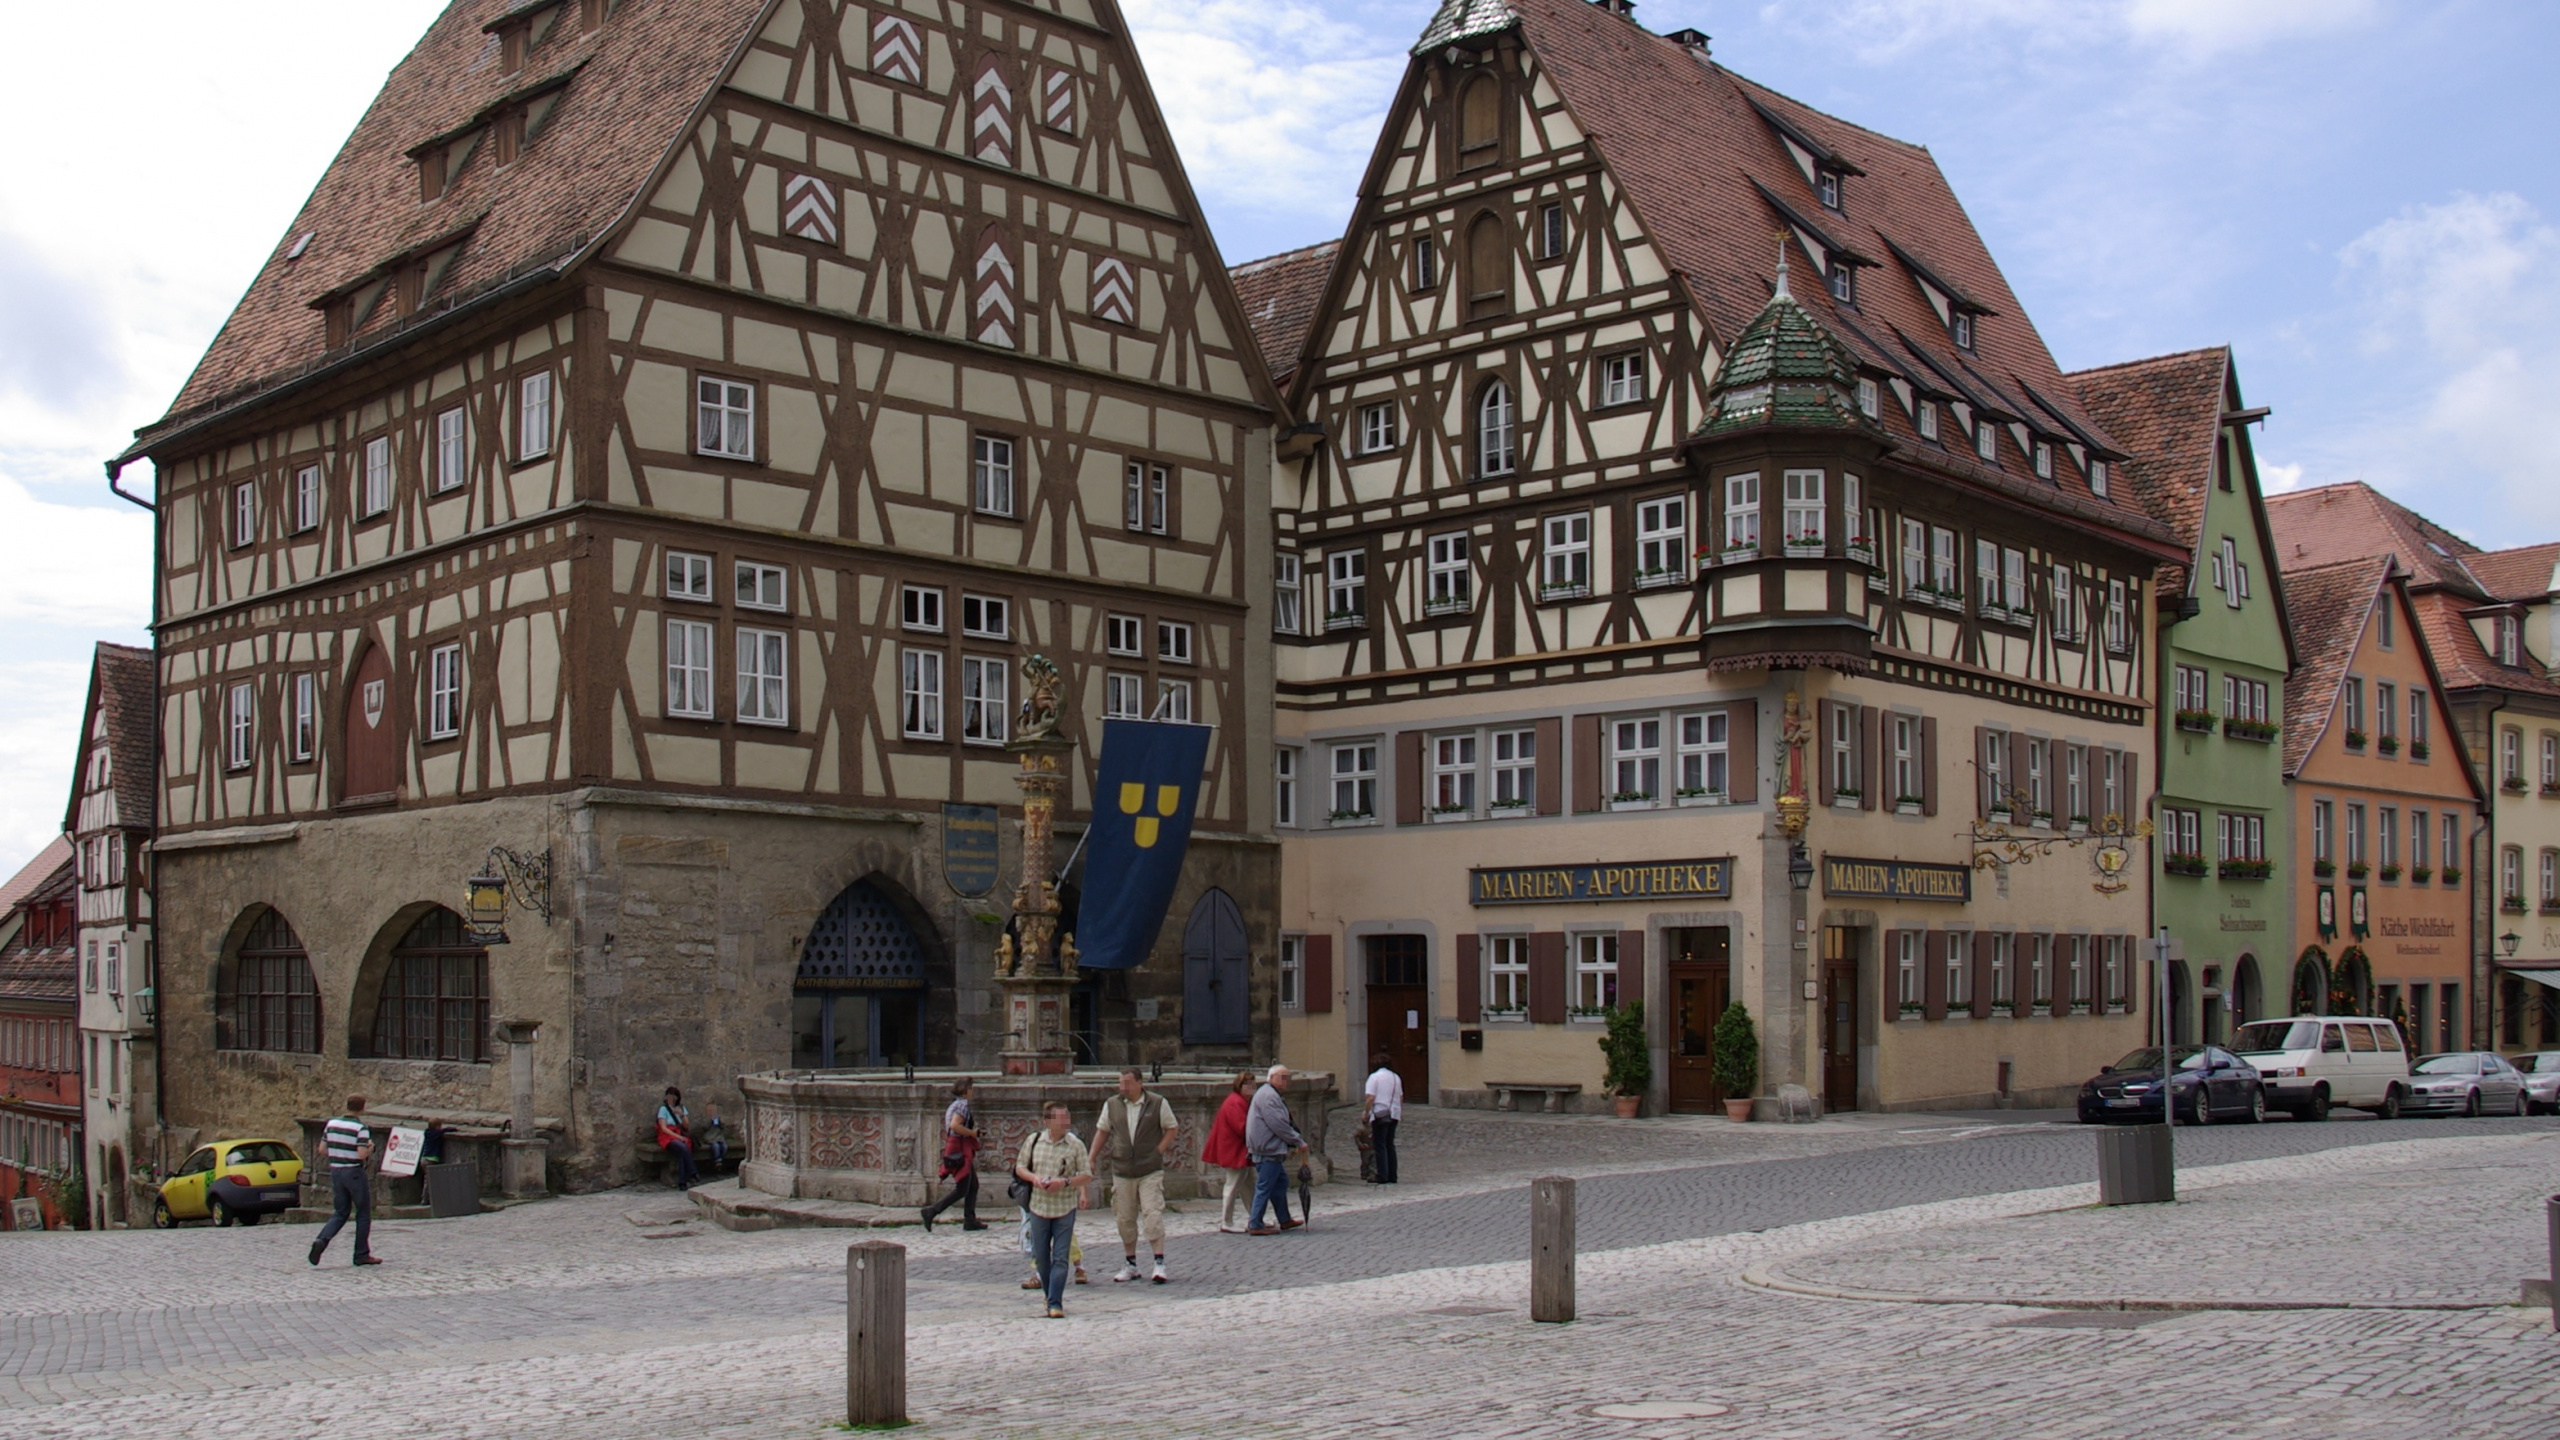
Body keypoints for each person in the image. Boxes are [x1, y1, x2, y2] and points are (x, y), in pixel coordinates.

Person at [1091, 1068, 1179, 1283]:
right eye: (1121, 1082)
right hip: (1122, 1169)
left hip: (1149, 1169)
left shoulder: (1157, 1102)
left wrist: (1159, 1150)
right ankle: (1130, 1263)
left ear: (1140, 1083)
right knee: (1124, 1217)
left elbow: (1172, 1127)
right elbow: (1103, 1130)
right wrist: (1091, 1156)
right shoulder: (1112, 1104)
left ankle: (1159, 1262)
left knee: (1152, 1213)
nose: (1123, 1087)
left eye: (1128, 1082)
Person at [1014, 1101, 1093, 1318]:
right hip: (1038, 1206)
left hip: (1064, 1206)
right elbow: (1020, 1167)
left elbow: (1086, 1174)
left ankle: (1055, 1302)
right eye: (1060, 1118)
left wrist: (1065, 1183)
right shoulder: (1034, 1141)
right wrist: (1034, 1179)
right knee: (1041, 1256)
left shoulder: (1075, 1145)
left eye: (1066, 1117)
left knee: (1060, 1256)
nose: (1065, 1122)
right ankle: (1050, 1296)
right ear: (1048, 1122)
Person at [307, 1095, 383, 1268]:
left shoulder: (332, 1124)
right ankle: (361, 1254)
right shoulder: (360, 1128)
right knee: (363, 1213)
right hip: (354, 1171)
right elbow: (362, 1154)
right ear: (362, 1108)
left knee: (340, 1212)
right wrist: (371, 1147)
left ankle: (321, 1240)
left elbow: (322, 1150)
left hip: (336, 1170)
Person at [1244, 1064, 1307, 1235]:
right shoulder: (1269, 1096)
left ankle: (1284, 1219)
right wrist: (1297, 1141)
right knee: (1265, 1186)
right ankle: (1255, 1223)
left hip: (1268, 1149)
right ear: (1271, 1078)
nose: (1286, 1082)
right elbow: (1279, 1124)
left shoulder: (1269, 1094)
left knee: (1280, 1183)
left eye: (1288, 1078)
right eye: (1282, 1077)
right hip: (1268, 1150)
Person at [921, 1078, 988, 1231]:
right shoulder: (962, 1106)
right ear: (966, 1090)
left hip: (957, 1145)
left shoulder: (955, 1104)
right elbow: (955, 1125)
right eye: (971, 1088)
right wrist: (972, 1132)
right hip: (960, 1147)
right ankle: (931, 1211)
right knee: (962, 1188)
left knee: (973, 1185)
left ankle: (970, 1220)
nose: (973, 1092)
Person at [1201, 1070, 1255, 1233]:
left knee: (1247, 1185)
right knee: (1233, 1185)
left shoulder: (1238, 1101)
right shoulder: (1236, 1102)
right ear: (1240, 1086)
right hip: (1235, 1150)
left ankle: (1255, 1217)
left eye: (1253, 1084)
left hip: (1238, 1150)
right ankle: (1226, 1221)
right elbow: (1243, 1127)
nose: (1251, 1087)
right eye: (1247, 1084)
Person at [1364, 1053, 1404, 1185]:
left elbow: (1370, 1097)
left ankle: (1382, 1174)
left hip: (1380, 1113)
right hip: (1394, 1113)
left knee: (1379, 1145)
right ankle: (1393, 1175)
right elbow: (1401, 1097)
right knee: (1389, 1144)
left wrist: (1366, 1112)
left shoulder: (1374, 1077)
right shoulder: (1396, 1077)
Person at [657, 1087, 698, 1190]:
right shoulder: (663, 1109)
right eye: (669, 1096)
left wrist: (682, 1115)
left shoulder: (681, 1108)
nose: (671, 1099)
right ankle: (693, 1171)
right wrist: (678, 1137)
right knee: (683, 1147)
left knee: (682, 1152)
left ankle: (682, 1182)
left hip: (679, 1134)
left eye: (673, 1097)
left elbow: (687, 1126)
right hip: (668, 1136)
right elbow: (663, 1128)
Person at [703, 1105, 728, 1174]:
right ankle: (718, 1161)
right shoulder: (706, 1119)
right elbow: (704, 1127)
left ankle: (721, 1159)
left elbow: (723, 1127)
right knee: (716, 1146)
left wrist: (720, 1122)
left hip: (719, 1137)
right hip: (710, 1138)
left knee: (724, 1146)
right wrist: (710, 1120)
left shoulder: (718, 1118)